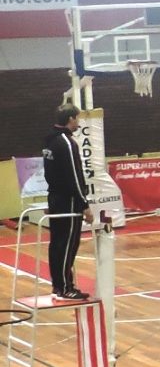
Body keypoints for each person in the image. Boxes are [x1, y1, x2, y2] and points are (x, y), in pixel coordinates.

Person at [43, 103, 94, 301]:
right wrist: (84, 204)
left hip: (55, 198)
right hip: (68, 201)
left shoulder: (49, 139)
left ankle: (58, 285)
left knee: (56, 243)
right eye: (77, 118)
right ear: (71, 119)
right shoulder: (66, 142)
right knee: (67, 244)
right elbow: (74, 176)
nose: (78, 121)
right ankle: (65, 288)